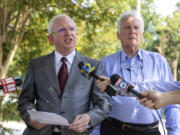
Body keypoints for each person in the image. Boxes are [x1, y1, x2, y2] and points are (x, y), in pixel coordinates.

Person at [18, 14, 111, 135]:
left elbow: (104, 104)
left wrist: (89, 118)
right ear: (51, 38)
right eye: (62, 30)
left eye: (72, 29)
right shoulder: (36, 65)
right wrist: (30, 118)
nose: (69, 33)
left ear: (76, 35)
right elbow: (24, 101)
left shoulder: (93, 66)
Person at [92, 10, 180, 135]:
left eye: (136, 27)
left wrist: (174, 132)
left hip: (151, 131)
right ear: (118, 34)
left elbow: (172, 101)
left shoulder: (158, 61)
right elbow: (97, 103)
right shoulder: (105, 63)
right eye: (127, 27)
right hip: (113, 129)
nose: (132, 31)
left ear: (142, 34)